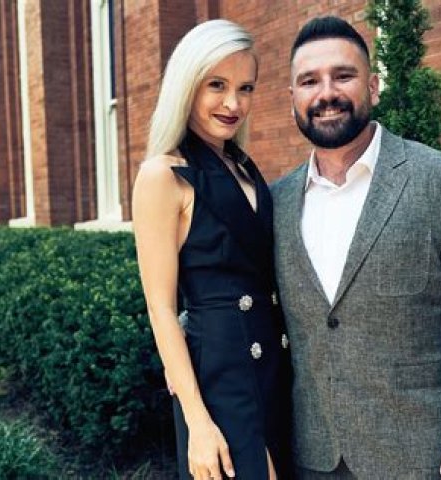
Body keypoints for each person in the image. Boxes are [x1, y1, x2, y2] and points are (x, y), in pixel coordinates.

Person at [272, 16, 441, 479]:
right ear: (293, 99)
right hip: (313, 454)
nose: (327, 93)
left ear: (373, 86)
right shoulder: (276, 201)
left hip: (420, 453)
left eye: (343, 75)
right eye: (309, 81)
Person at [132, 19, 292, 480]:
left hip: (273, 369)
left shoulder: (244, 167)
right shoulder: (163, 175)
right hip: (220, 380)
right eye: (216, 85)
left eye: (246, 88)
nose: (233, 104)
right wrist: (198, 423)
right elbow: (161, 309)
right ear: (187, 85)